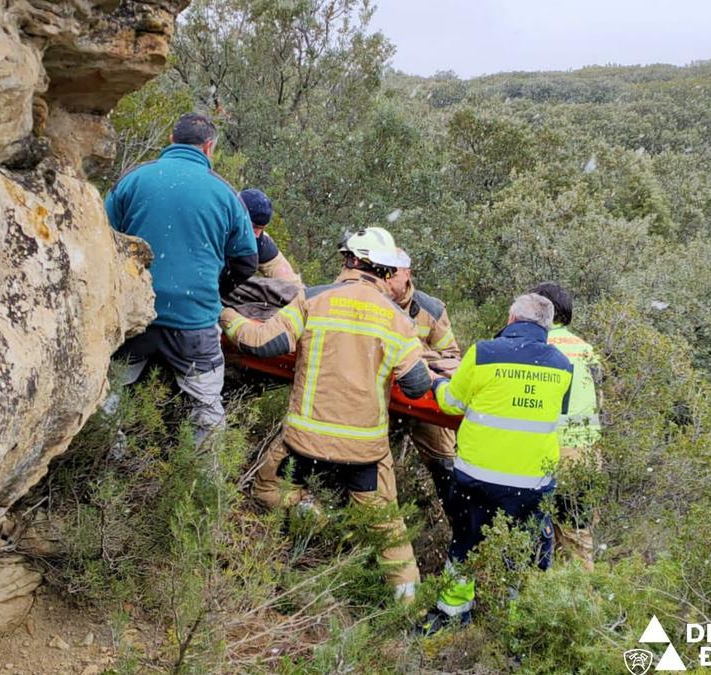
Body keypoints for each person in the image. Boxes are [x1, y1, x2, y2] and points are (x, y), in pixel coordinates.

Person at [220, 226, 434, 599]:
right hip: (364, 453)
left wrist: (226, 317)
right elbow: (417, 386)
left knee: (267, 488)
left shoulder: (313, 299)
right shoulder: (400, 322)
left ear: (349, 261)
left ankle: (310, 516)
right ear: (386, 272)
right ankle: (407, 602)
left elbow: (263, 343)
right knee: (389, 530)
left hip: (304, 444)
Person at [424, 294, 574, 632]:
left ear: (511, 318)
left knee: (465, 544)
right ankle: (519, 622)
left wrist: (438, 382)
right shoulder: (563, 365)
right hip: (532, 484)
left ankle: (451, 616)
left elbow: (450, 404)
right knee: (525, 553)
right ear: (548, 326)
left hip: (478, 478)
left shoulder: (484, 352)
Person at [105, 113, 257, 439]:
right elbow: (246, 261)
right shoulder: (226, 194)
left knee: (110, 395)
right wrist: (213, 290)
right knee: (206, 408)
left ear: (171, 140)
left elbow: (100, 238)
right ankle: (207, 480)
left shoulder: (134, 179)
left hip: (136, 317)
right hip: (194, 322)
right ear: (209, 147)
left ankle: (100, 465)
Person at [532, 282, 603, 571]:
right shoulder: (587, 350)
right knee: (578, 536)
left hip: (548, 449)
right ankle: (583, 601)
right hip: (586, 454)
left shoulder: (538, 347)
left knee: (537, 534)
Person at [386, 250, 461, 513]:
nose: (387, 279)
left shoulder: (430, 309)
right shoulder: (373, 300)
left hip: (424, 396)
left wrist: (415, 353)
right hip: (384, 395)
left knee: (445, 465)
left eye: (392, 273)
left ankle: (457, 526)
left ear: (407, 273)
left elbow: (451, 358)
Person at [238, 188, 301, 283]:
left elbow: (290, 282)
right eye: (254, 227)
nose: (257, 235)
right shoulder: (213, 229)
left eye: (261, 228)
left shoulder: (261, 243)